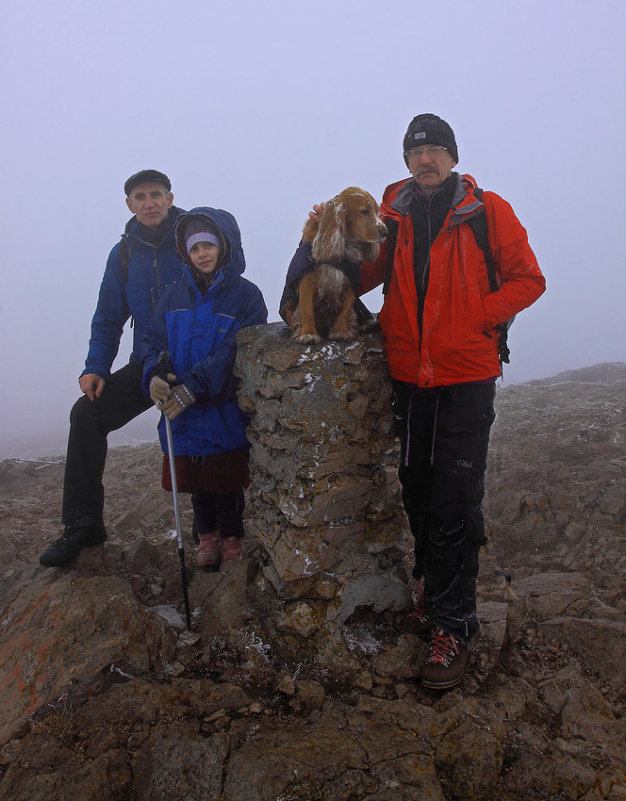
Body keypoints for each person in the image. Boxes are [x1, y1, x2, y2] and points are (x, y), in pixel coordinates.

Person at [308, 114, 545, 689]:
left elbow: (528, 280)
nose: (426, 161)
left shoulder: (488, 212)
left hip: (466, 377)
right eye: (417, 153)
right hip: (409, 376)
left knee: (455, 500)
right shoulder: (393, 213)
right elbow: (365, 277)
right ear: (407, 162)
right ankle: (429, 588)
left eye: (436, 151)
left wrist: (477, 317)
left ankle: (455, 624)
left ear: (452, 157)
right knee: (416, 488)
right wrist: (321, 239)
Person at [40, 170, 187, 567]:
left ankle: (229, 527)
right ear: (129, 205)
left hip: (195, 363)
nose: (149, 202)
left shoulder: (192, 235)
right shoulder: (123, 253)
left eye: (156, 194)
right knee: (86, 414)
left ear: (170, 198)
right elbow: (108, 317)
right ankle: (84, 524)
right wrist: (96, 367)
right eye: (140, 197)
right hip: (147, 366)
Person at [142, 208, 267, 570]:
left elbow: (237, 350)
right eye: (195, 248)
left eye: (209, 245)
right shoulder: (173, 296)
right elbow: (151, 340)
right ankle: (206, 539)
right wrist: (154, 374)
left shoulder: (246, 296)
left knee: (225, 481)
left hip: (222, 408)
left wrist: (196, 385)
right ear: (185, 253)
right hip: (179, 409)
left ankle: (232, 541)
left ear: (225, 247)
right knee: (197, 481)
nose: (203, 254)